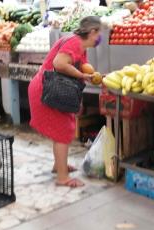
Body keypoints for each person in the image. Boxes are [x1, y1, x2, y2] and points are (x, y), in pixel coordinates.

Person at [28, 16, 102, 188]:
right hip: (46, 89)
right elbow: (59, 63)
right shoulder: (75, 43)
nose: (100, 38)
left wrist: (95, 77)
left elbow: (81, 68)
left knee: (61, 128)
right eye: (99, 33)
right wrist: (83, 76)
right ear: (92, 32)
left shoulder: (78, 44)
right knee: (62, 130)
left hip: (49, 88)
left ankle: (59, 165)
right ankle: (62, 178)